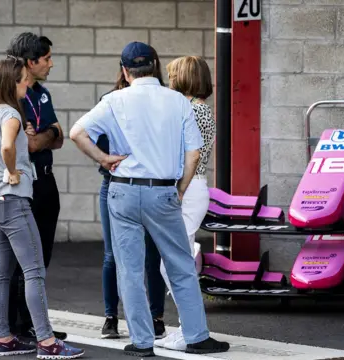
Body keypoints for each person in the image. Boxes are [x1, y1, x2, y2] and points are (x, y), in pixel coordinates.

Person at [69, 41, 229, 356]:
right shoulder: (178, 101)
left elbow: (76, 132)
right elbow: (194, 152)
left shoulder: (114, 100)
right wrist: (180, 189)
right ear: (155, 66)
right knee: (180, 262)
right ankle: (196, 336)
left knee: (129, 267)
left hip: (123, 190)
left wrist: (103, 158)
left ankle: (142, 342)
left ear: (125, 71)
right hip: (163, 189)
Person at [0, 56, 84, 359]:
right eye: (22, 79)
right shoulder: (11, 115)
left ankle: (3, 338)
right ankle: (47, 343)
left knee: (1, 274)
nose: (26, 83)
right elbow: (8, 146)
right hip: (12, 202)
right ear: (11, 82)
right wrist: (9, 169)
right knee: (34, 272)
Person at [96, 45, 167, 340]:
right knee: (113, 255)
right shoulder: (111, 101)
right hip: (115, 184)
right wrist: (109, 158)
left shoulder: (164, 101)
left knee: (151, 255)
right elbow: (94, 138)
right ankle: (111, 317)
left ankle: (156, 317)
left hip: (146, 185)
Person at [4, 32, 67, 343]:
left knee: (42, 259)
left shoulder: (41, 93)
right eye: (47, 59)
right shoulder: (10, 96)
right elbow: (27, 144)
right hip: (24, 187)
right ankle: (14, 325)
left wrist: (44, 136)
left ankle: (32, 322)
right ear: (31, 62)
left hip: (47, 182)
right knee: (21, 261)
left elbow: (59, 137)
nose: (51, 64)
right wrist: (45, 137)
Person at [155, 55, 215, 352]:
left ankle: (190, 328)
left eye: (173, 75)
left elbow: (189, 154)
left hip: (188, 189)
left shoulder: (196, 110)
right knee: (171, 263)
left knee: (175, 264)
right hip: (188, 188)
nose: (170, 80)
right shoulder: (192, 108)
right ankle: (187, 326)